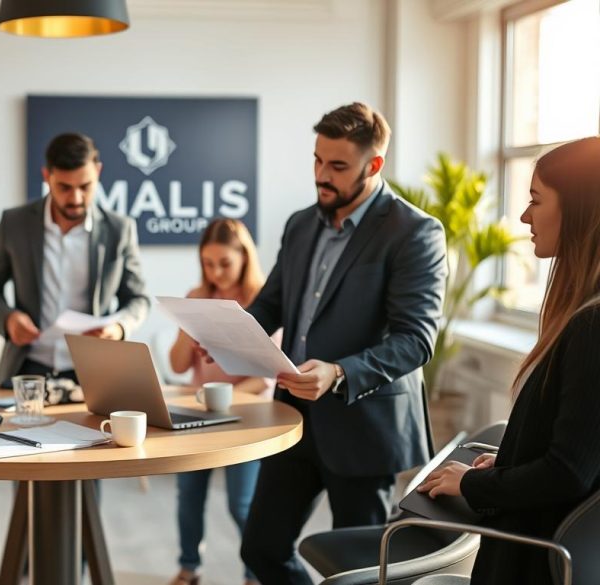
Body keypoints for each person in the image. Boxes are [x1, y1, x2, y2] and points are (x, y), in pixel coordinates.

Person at [232, 102, 448, 584]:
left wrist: (340, 372)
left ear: (374, 165)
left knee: (362, 570)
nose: (321, 176)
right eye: (316, 160)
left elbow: (415, 340)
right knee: (261, 547)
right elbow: (271, 305)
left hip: (364, 424)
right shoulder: (301, 224)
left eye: (337, 166)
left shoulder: (415, 233)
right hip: (293, 417)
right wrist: (229, 331)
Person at [417, 136, 600, 584]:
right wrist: (513, 458)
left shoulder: (592, 327)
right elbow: (579, 446)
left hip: (533, 564)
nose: (524, 216)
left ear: (579, 210)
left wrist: (471, 485)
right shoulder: (582, 317)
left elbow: (569, 472)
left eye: (536, 200)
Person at [0, 132, 150, 384]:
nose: (76, 199)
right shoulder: (14, 223)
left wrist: (119, 328)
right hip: (27, 368)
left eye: (85, 187)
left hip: (94, 370)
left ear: (97, 172)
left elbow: (139, 299)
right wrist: (8, 318)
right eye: (65, 187)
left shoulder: (119, 229)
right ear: (47, 176)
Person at [167, 219, 273, 585]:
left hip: (248, 417)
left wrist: (231, 396)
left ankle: (254, 573)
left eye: (224, 263)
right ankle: (188, 567)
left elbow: (270, 373)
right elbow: (178, 365)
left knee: (241, 504)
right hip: (199, 414)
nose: (216, 272)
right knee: (188, 496)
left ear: (244, 256)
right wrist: (188, 320)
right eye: (208, 263)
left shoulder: (265, 300)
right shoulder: (198, 296)